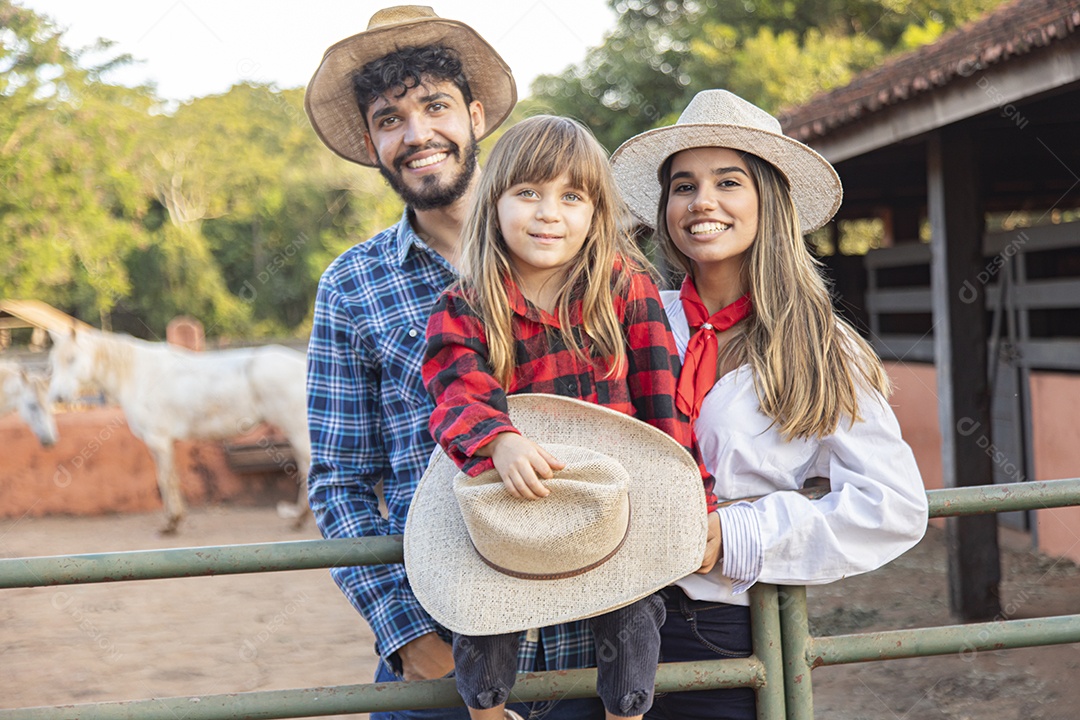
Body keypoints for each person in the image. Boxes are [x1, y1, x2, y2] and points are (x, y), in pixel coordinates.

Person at [304, 8, 602, 719]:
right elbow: (340, 482)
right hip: (443, 646)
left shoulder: (587, 254)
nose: (416, 135)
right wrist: (407, 637)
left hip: (593, 638)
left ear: (473, 115)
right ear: (373, 143)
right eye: (388, 119)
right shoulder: (353, 286)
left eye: (434, 106)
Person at [610, 89, 930, 720]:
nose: (701, 201)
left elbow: (892, 507)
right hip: (601, 616)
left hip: (725, 625)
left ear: (769, 201)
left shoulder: (821, 346)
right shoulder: (631, 320)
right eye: (682, 185)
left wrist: (735, 532)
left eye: (728, 181)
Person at [419, 115, 721, 720]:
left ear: (595, 211)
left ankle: (625, 710)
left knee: (633, 600)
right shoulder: (468, 300)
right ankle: (484, 708)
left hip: (611, 490)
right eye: (527, 193)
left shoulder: (625, 287)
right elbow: (456, 387)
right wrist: (497, 441)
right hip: (513, 489)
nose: (548, 213)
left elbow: (663, 402)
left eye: (571, 196)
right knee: (489, 597)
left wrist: (695, 498)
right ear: (495, 203)